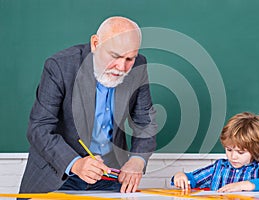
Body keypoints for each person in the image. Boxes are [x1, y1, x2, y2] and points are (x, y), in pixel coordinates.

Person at [19, 16, 157, 194]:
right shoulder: (59, 66)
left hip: (110, 176)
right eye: (115, 56)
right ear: (95, 43)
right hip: (59, 175)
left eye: (129, 59)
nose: (122, 67)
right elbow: (39, 128)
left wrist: (137, 160)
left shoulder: (139, 66)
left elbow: (145, 122)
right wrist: (75, 164)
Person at [171, 112, 259, 192]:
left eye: (240, 152)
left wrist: (244, 185)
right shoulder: (219, 168)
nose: (233, 156)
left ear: (256, 150)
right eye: (229, 150)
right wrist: (180, 176)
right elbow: (192, 178)